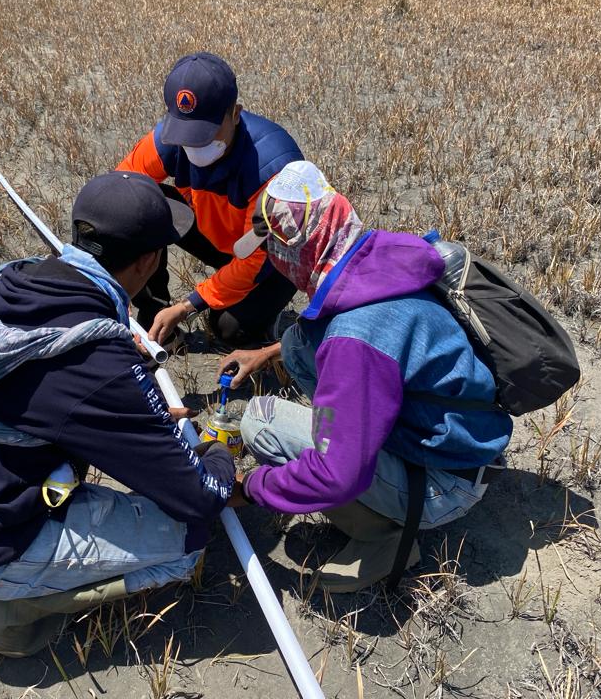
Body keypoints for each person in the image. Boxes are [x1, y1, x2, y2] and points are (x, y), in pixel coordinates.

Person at [0, 171, 237, 657]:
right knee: (189, 539)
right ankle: (2, 611)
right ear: (150, 260)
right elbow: (199, 496)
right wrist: (217, 453)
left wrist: (130, 407)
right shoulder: (94, 362)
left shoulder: (16, 281)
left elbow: (50, 393)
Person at [220, 161, 513, 592]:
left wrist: (249, 487)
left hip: (443, 485)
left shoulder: (355, 339)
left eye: (272, 250)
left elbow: (337, 475)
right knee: (300, 340)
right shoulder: (385, 255)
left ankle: (386, 535)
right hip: (460, 440)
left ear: (295, 249)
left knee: (260, 421)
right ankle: (357, 439)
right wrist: (266, 353)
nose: (273, 262)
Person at [117, 52, 303, 347]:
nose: (193, 145)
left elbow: (253, 261)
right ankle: (156, 319)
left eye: (204, 134)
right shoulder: (168, 139)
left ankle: (268, 318)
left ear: (235, 114)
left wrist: (187, 306)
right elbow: (118, 189)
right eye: (185, 133)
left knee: (228, 328)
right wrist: (118, 282)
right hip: (219, 237)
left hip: (270, 261)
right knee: (141, 203)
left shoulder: (271, 168)